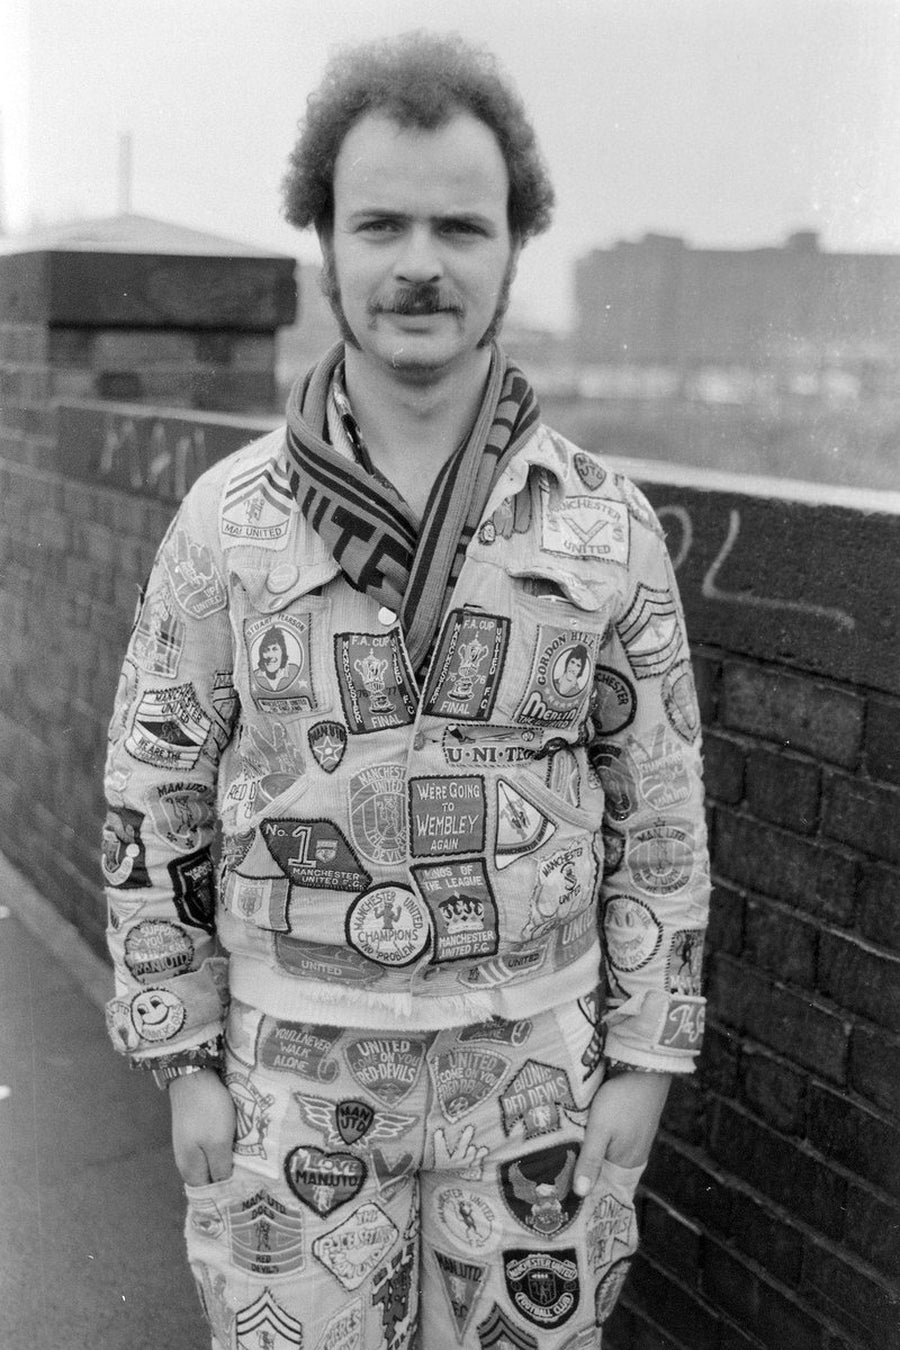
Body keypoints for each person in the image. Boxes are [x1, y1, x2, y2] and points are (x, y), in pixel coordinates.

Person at [102, 30, 710, 1349]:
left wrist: (649, 1062)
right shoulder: (227, 522)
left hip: (535, 1076)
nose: (420, 264)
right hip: (292, 1078)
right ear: (323, 237)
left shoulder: (607, 527)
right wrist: (182, 1056)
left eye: (461, 225)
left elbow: (659, 810)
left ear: (514, 244)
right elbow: (152, 796)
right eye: (379, 223)